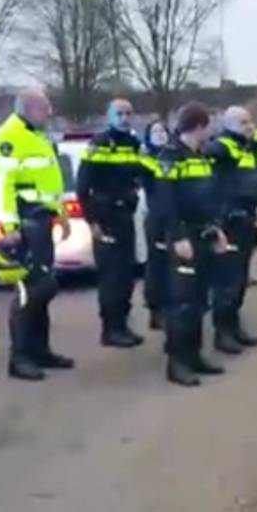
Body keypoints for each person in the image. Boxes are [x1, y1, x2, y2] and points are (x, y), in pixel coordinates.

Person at [0, 89, 75, 381]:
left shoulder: (35, 137)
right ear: (31, 108)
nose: (50, 113)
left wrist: (60, 214)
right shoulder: (9, 137)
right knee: (29, 290)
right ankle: (20, 357)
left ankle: (40, 350)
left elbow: (46, 184)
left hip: (42, 219)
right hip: (26, 223)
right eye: (46, 108)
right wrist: (10, 228)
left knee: (44, 287)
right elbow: (0, 186)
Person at [76, 98, 161, 349]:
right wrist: (92, 221)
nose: (125, 118)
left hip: (126, 217)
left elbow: (149, 173)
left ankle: (122, 325)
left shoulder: (134, 144)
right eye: (119, 113)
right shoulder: (100, 144)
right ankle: (110, 329)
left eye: (128, 113)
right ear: (109, 116)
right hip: (105, 218)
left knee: (125, 274)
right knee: (111, 276)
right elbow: (83, 186)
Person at [157, 103, 226, 387]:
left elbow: (209, 198)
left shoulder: (201, 157)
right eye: (208, 126)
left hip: (203, 233)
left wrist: (216, 230)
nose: (210, 132)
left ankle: (195, 355)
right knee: (182, 303)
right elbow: (165, 202)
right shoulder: (171, 157)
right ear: (198, 126)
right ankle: (177, 363)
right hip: (183, 235)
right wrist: (178, 237)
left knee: (198, 301)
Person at [205, 106, 257, 354]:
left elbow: (255, 182)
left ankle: (234, 324)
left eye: (250, 122)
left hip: (247, 217)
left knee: (240, 278)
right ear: (228, 124)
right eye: (242, 122)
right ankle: (223, 332)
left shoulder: (249, 149)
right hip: (230, 219)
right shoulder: (221, 148)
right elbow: (216, 186)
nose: (249, 126)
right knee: (227, 280)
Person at [143, 118, 173, 330]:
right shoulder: (146, 160)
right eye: (155, 131)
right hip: (156, 217)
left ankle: (170, 306)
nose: (160, 134)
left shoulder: (173, 157)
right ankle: (156, 309)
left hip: (172, 216)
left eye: (163, 131)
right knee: (157, 265)